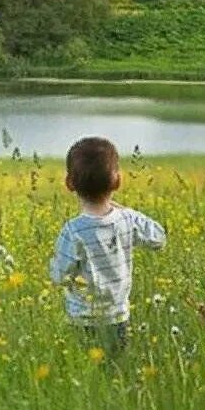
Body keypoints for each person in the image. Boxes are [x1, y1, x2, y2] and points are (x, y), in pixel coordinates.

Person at [48, 136, 166, 358]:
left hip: (82, 320)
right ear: (118, 181)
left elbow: (59, 276)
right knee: (116, 371)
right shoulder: (127, 220)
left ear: (69, 183)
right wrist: (127, 210)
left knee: (87, 374)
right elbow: (158, 237)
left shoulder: (73, 231)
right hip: (117, 318)